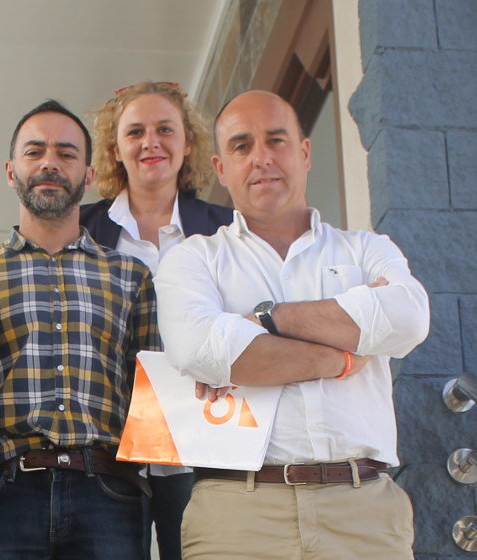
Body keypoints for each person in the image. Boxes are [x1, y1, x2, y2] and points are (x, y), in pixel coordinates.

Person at [154, 90, 429, 559]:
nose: (261, 157)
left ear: (304, 153)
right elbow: (203, 350)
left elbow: (407, 318)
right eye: (242, 146)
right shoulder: (193, 259)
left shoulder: (366, 249)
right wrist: (342, 355)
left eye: (276, 140)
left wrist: (268, 319)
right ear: (221, 169)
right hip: (237, 515)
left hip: (362, 508)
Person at [0, 100, 159, 559]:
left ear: (89, 174)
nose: (49, 163)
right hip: (3, 492)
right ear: (10, 171)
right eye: (35, 151)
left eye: (66, 153)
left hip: (109, 495)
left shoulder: (132, 276)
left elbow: (150, 393)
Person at [80, 81, 233, 560]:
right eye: (136, 131)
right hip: (108, 443)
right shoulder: (81, 227)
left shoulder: (228, 227)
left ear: (187, 144)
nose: (151, 142)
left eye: (165, 129)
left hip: (202, 441)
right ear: (115, 148)